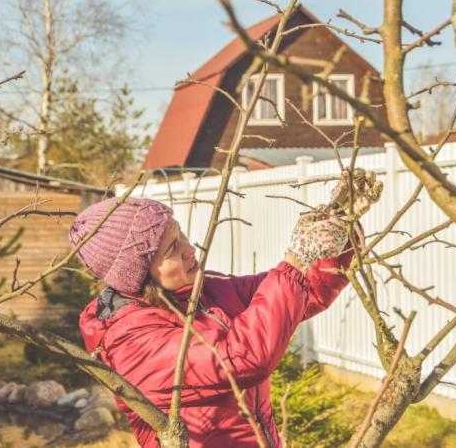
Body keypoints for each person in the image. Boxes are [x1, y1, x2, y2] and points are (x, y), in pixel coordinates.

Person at [73, 169, 382, 448]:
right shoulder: (130, 341)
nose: (188, 248)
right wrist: (297, 257)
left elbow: (302, 293)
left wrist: (338, 224)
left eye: (179, 232)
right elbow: (239, 360)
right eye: (171, 248)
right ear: (137, 274)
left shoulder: (205, 291)